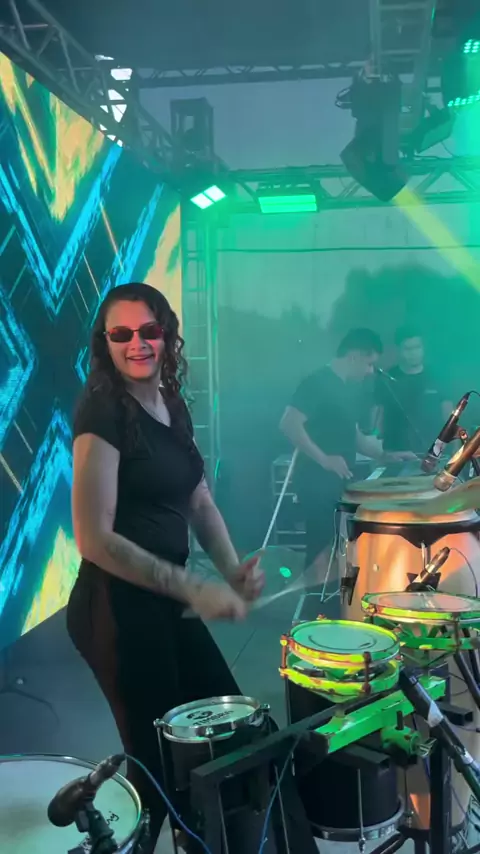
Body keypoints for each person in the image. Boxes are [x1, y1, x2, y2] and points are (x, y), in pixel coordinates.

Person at [66, 282, 263, 853]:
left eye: (149, 331)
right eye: (121, 334)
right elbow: (93, 539)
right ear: (105, 343)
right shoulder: (102, 411)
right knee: (156, 772)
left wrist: (231, 570)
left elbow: (198, 500)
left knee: (229, 734)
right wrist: (192, 588)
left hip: (165, 602)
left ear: (168, 335)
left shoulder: (170, 403)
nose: (138, 344)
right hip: (114, 609)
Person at [280, 328, 384, 576]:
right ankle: (313, 599)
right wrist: (324, 459)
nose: (370, 371)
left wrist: (387, 455)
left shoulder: (349, 389)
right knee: (320, 549)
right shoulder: (317, 382)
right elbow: (289, 423)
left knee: (338, 549)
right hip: (316, 481)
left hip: (338, 481)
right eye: (369, 364)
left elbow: (355, 436)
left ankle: (332, 596)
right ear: (354, 356)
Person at [373, 326, 452, 454]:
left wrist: (453, 447)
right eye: (408, 349)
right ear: (398, 350)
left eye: (417, 347)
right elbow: (378, 418)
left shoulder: (437, 377)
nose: (413, 353)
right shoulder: (386, 378)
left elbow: (449, 416)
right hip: (396, 452)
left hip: (434, 453)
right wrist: (378, 450)